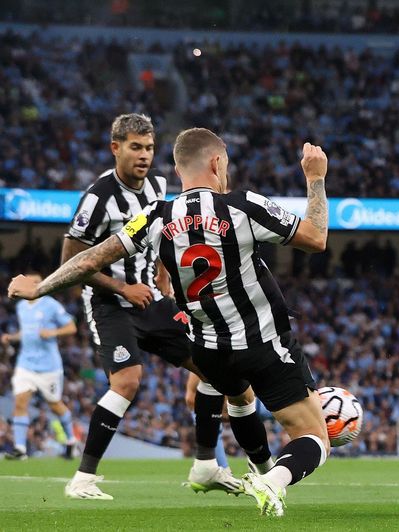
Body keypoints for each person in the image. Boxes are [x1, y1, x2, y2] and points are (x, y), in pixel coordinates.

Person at [8, 129, 332, 518]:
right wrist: (316, 179)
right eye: (225, 163)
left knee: (238, 396)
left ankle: (233, 467)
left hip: (209, 352)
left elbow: (90, 259)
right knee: (315, 436)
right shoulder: (242, 204)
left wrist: (40, 288)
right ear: (216, 163)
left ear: (177, 169)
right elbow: (315, 238)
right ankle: (272, 478)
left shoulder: (155, 215)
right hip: (262, 343)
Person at [56, 114, 264, 500]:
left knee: (214, 365)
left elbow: (163, 234)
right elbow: (71, 260)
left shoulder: (157, 186)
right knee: (128, 380)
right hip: (110, 304)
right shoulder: (98, 197)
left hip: (149, 297)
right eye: (136, 147)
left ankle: (206, 465)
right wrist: (121, 286)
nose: (144, 156)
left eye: (149, 148)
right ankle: (82, 478)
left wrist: (164, 278)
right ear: (115, 148)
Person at [1, 275, 78, 460]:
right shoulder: (21, 306)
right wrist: (12, 337)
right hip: (25, 364)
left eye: (35, 282)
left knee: (55, 405)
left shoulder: (50, 304)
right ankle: (20, 449)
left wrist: (53, 332)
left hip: (49, 367)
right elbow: (26, 332)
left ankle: (71, 442)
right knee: (20, 402)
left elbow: (71, 327)